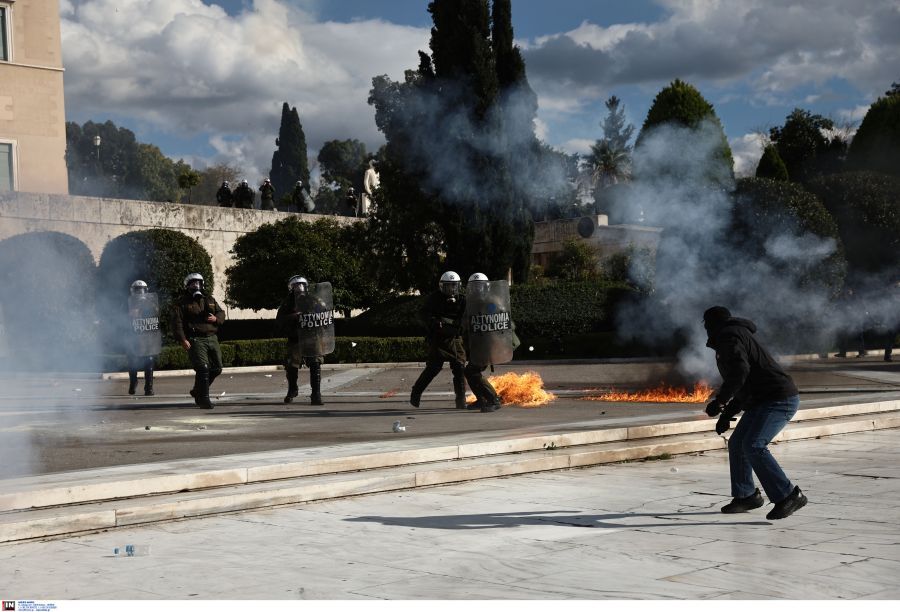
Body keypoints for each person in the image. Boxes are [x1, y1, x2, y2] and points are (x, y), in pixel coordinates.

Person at [703, 306, 807, 520]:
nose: (705, 329)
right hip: (762, 400)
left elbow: (740, 373)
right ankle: (746, 496)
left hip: (778, 399)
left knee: (753, 445)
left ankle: (788, 495)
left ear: (712, 324)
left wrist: (720, 401)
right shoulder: (733, 334)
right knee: (737, 443)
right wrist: (726, 414)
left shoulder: (729, 336)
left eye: (706, 324)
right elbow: (745, 384)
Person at [410, 271, 470, 410]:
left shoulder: (462, 300)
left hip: (455, 338)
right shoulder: (434, 298)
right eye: (448, 286)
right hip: (438, 339)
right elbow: (423, 314)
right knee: (433, 368)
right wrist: (434, 322)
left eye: (454, 286)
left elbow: (466, 317)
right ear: (442, 286)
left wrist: (460, 326)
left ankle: (461, 399)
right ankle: (416, 392)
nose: (452, 289)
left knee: (460, 368)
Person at [172, 273, 225, 409]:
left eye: (199, 283)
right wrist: (183, 339)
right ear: (187, 285)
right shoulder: (182, 303)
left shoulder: (209, 299)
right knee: (203, 367)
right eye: (193, 283)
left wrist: (216, 319)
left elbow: (221, 312)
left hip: (212, 337)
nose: (196, 285)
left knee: (217, 368)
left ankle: (197, 390)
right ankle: (204, 400)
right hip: (196, 339)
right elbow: (177, 323)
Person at [275, 275, 325, 406]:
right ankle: (292, 389)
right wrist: (294, 316)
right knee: (291, 365)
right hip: (295, 338)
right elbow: (280, 320)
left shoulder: (314, 300)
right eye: (296, 286)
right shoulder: (287, 303)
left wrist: (315, 313)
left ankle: (316, 394)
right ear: (291, 288)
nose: (300, 288)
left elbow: (323, 313)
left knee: (315, 364)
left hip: (312, 336)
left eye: (302, 285)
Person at [462, 272, 506, 413]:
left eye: (480, 286)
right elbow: (466, 322)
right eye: (474, 286)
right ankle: (481, 399)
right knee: (469, 371)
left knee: (473, 371)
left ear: (486, 287)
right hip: (477, 344)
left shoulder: (492, 301)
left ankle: (493, 400)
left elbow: (500, 320)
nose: (477, 289)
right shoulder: (471, 303)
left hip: (488, 344)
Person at [126, 280, 159, 396]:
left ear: (146, 291)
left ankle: (148, 387)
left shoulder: (151, 302)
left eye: (141, 290)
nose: (139, 293)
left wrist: (144, 309)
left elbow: (156, 315)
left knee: (149, 360)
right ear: (133, 291)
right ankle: (133, 382)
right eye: (137, 290)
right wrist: (129, 314)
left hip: (147, 336)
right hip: (133, 336)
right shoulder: (127, 303)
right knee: (132, 361)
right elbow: (120, 318)